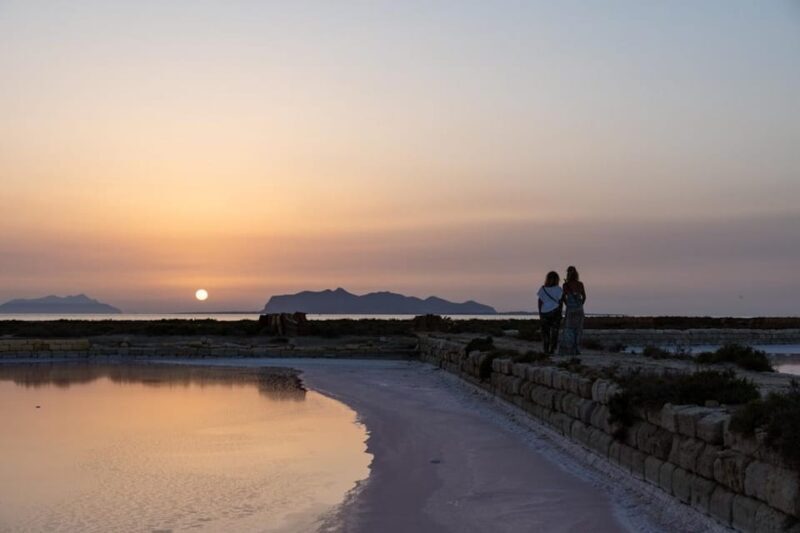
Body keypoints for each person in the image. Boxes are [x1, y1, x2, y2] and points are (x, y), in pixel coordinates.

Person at [559, 265, 586, 355]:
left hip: (570, 309)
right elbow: (584, 297)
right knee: (578, 329)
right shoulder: (580, 284)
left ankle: (569, 349)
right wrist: (580, 305)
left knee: (569, 329)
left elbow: (563, 297)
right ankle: (577, 349)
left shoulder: (565, 285)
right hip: (579, 309)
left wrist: (568, 305)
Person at [537, 271, 563, 354]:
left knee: (545, 333)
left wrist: (540, 314)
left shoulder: (543, 289)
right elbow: (560, 302)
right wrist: (560, 313)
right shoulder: (559, 289)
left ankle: (546, 349)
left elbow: (540, 302)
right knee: (554, 332)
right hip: (555, 312)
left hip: (544, 312)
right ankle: (552, 349)